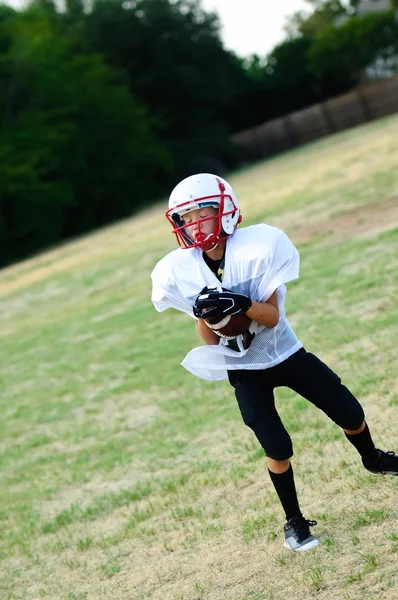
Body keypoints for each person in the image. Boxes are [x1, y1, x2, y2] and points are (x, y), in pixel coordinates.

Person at [151, 173, 398, 552]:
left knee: (348, 410)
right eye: (187, 217)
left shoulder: (260, 244)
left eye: (204, 212)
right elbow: (211, 338)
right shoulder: (180, 269)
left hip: (283, 352)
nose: (196, 223)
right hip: (244, 367)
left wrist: (242, 303)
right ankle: (295, 522)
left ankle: (373, 459)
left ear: (226, 210)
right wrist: (205, 316)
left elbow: (271, 318)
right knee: (277, 446)